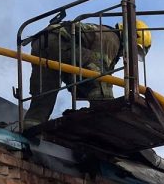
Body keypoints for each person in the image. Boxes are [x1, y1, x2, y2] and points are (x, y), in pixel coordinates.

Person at [23, 19, 152, 126]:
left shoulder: (106, 34)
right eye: (135, 49)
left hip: (42, 42)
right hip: (61, 42)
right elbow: (100, 75)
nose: (132, 54)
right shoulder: (112, 39)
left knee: (45, 90)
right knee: (101, 75)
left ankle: (31, 126)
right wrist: (110, 108)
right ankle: (106, 117)